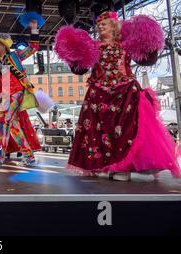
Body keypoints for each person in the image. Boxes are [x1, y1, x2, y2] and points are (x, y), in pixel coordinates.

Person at [55, 11, 180, 181]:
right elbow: (80, 69)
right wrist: (72, 56)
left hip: (124, 93)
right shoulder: (93, 47)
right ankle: (102, 166)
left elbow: (146, 59)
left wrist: (151, 42)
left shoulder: (126, 45)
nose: (100, 27)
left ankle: (124, 168)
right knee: (98, 131)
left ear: (114, 26)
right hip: (98, 95)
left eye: (104, 23)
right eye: (98, 25)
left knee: (125, 131)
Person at [0, 22, 42, 167]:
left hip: (16, 93)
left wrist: (34, 29)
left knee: (4, 123)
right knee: (14, 126)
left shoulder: (15, 56)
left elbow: (33, 48)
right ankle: (29, 156)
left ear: (4, 46)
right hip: (5, 96)